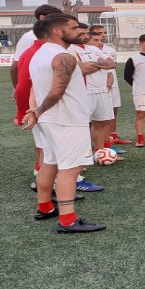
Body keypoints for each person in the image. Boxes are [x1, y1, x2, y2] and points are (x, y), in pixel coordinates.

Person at [22, 13, 105, 233]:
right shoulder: (63, 57)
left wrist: (37, 111)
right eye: (74, 27)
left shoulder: (40, 54)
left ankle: (45, 207)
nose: (80, 31)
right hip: (67, 119)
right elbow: (56, 91)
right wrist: (38, 110)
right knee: (70, 169)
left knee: (50, 163)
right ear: (58, 31)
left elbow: (37, 88)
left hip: (51, 119)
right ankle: (68, 220)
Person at [10, 5, 64, 178]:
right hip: (40, 94)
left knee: (48, 136)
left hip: (47, 92)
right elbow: (16, 66)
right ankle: (44, 170)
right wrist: (18, 88)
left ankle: (48, 170)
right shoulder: (30, 37)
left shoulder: (56, 39)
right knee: (44, 136)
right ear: (42, 18)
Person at [68, 24, 117, 154]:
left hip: (101, 90)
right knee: (81, 126)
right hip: (84, 92)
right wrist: (100, 64)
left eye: (86, 33)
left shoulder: (93, 48)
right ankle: (81, 155)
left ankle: (99, 152)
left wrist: (93, 65)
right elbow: (83, 69)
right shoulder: (69, 50)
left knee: (101, 122)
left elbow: (112, 64)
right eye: (81, 33)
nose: (84, 36)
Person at [89, 24, 132, 146]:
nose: (103, 35)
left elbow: (112, 66)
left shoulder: (110, 50)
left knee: (112, 111)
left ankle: (112, 137)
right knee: (95, 117)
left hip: (111, 85)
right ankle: (95, 143)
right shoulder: (86, 51)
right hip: (94, 87)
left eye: (104, 33)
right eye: (99, 33)